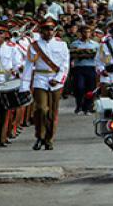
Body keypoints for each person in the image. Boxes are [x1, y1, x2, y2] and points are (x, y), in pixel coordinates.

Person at [21, 18, 69, 151]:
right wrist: (24, 86)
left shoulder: (62, 45)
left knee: (52, 113)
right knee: (41, 109)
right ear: (41, 31)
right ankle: (39, 136)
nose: (48, 32)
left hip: (56, 80)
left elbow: (65, 65)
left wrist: (59, 79)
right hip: (40, 78)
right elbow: (28, 66)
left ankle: (49, 139)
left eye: (51, 29)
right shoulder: (34, 46)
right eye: (45, 29)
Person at [70, 25, 99, 114]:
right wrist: (85, 54)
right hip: (79, 68)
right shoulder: (75, 44)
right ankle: (79, 106)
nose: (86, 34)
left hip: (91, 67)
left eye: (88, 32)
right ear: (81, 33)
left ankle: (87, 107)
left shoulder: (95, 44)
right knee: (79, 87)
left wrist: (83, 53)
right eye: (84, 32)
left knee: (90, 88)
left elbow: (97, 56)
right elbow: (73, 55)